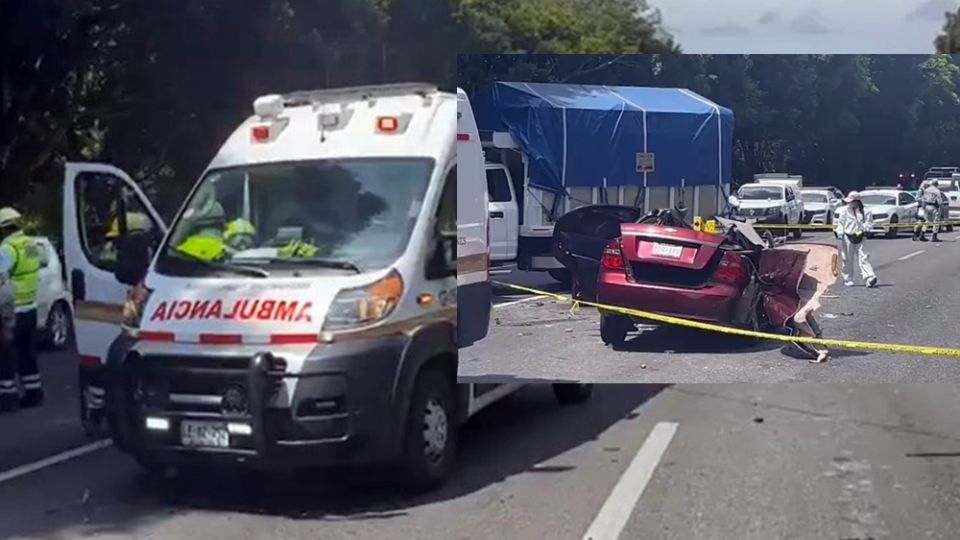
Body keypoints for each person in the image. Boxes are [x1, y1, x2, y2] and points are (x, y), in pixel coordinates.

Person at [0, 207, 43, 411]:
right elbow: (39, 265)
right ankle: (34, 392)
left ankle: (8, 397)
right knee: (27, 353)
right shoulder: (30, 244)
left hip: (12, 310)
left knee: (6, 355)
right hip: (31, 308)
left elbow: (2, 283)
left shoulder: (7, 249)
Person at [834, 191, 878, 288]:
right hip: (847, 237)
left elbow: (869, 223)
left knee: (864, 257)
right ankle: (848, 278)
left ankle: (870, 277)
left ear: (857, 201)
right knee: (847, 258)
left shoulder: (866, 211)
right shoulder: (844, 211)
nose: (850, 203)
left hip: (860, 237)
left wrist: (863, 230)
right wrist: (840, 233)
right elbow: (840, 224)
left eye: (852, 201)